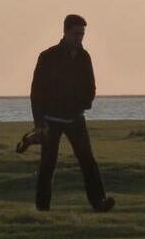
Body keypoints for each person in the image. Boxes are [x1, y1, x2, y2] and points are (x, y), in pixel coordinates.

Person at [30, 14, 115, 212]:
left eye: (82, 34)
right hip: (50, 120)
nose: (79, 38)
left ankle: (99, 203)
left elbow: (91, 86)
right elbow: (36, 92)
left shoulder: (85, 57)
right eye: (76, 34)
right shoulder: (48, 56)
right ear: (66, 32)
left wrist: (83, 104)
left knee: (88, 162)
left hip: (76, 118)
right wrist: (39, 122)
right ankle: (42, 208)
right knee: (48, 165)